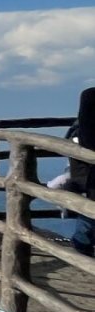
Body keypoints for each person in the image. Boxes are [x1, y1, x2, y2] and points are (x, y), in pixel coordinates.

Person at [46, 87, 95, 256]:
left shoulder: (89, 94)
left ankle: (83, 245)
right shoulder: (91, 95)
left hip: (87, 163)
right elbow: (89, 137)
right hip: (89, 165)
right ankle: (82, 246)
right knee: (91, 206)